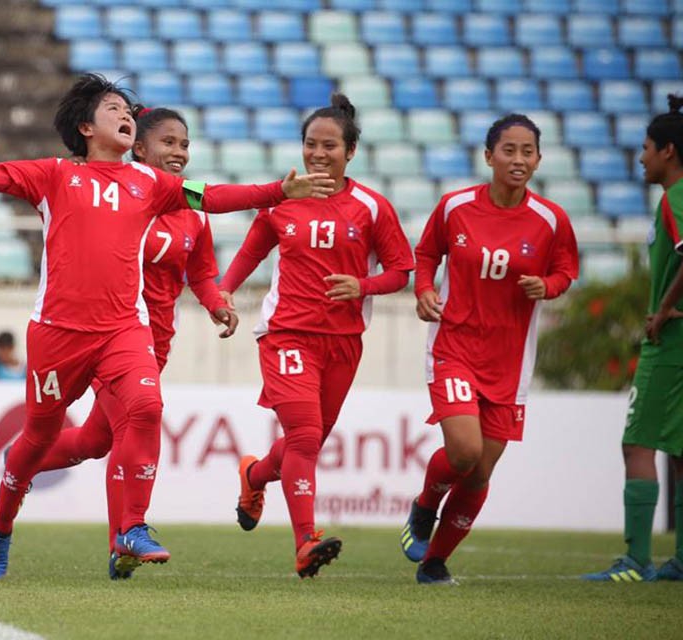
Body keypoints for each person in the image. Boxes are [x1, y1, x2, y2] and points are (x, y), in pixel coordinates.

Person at [0, 73, 334, 580]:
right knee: (37, 438)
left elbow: (207, 196)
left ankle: (132, 528)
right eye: (112, 109)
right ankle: (1, 523)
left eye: (127, 110)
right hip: (58, 332)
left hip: (124, 328)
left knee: (146, 408)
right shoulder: (55, 176)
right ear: (85, 126)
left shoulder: (152, 184)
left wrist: (278, 190)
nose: (125, 116)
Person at [25, 105, 240, 580]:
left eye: (184, 143)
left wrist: (216, 303)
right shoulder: (123, 194)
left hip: (155, 342)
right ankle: (125, 538)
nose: (179, 152)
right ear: (138, 148)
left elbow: (200, 272)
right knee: (132, 426)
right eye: (168, 142)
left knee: (96, 441)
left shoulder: (190, 209)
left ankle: (27, 460)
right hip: (111, 334)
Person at [220, 94, 415, 578]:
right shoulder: (285, 197)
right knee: (306, 436)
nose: (318, 154)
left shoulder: (372, 207)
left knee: (305, 443)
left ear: (351, 152)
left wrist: (362, 286)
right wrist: (222, 292)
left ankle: (255, 475)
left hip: (344, 342)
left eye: (329, 146)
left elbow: (402, 270)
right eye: (311, 144)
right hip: (286, 334)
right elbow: (251, 252)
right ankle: (306, 540)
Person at [399, 113, 580, 584]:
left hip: (509, 360)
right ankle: (423, 506)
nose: (518, 160)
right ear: (489, 156)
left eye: (527, 152)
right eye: (509, 150)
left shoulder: (551, 219)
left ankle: (435, 562)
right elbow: (425, 255)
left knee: (480, 472)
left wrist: (549, 284)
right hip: (455, 345)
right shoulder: (456, 207)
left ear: (539, 159)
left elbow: (566, 270)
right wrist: (423, 291)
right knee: (463, 450)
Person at [583, 95, 683, 583]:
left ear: (668, 151)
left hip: (672, 342)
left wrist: (663, 311)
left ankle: (636, 560)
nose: (641, 157)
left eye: (646, 147)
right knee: (680, 450)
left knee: (638, 443)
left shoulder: (676, 198)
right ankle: (680, 561)